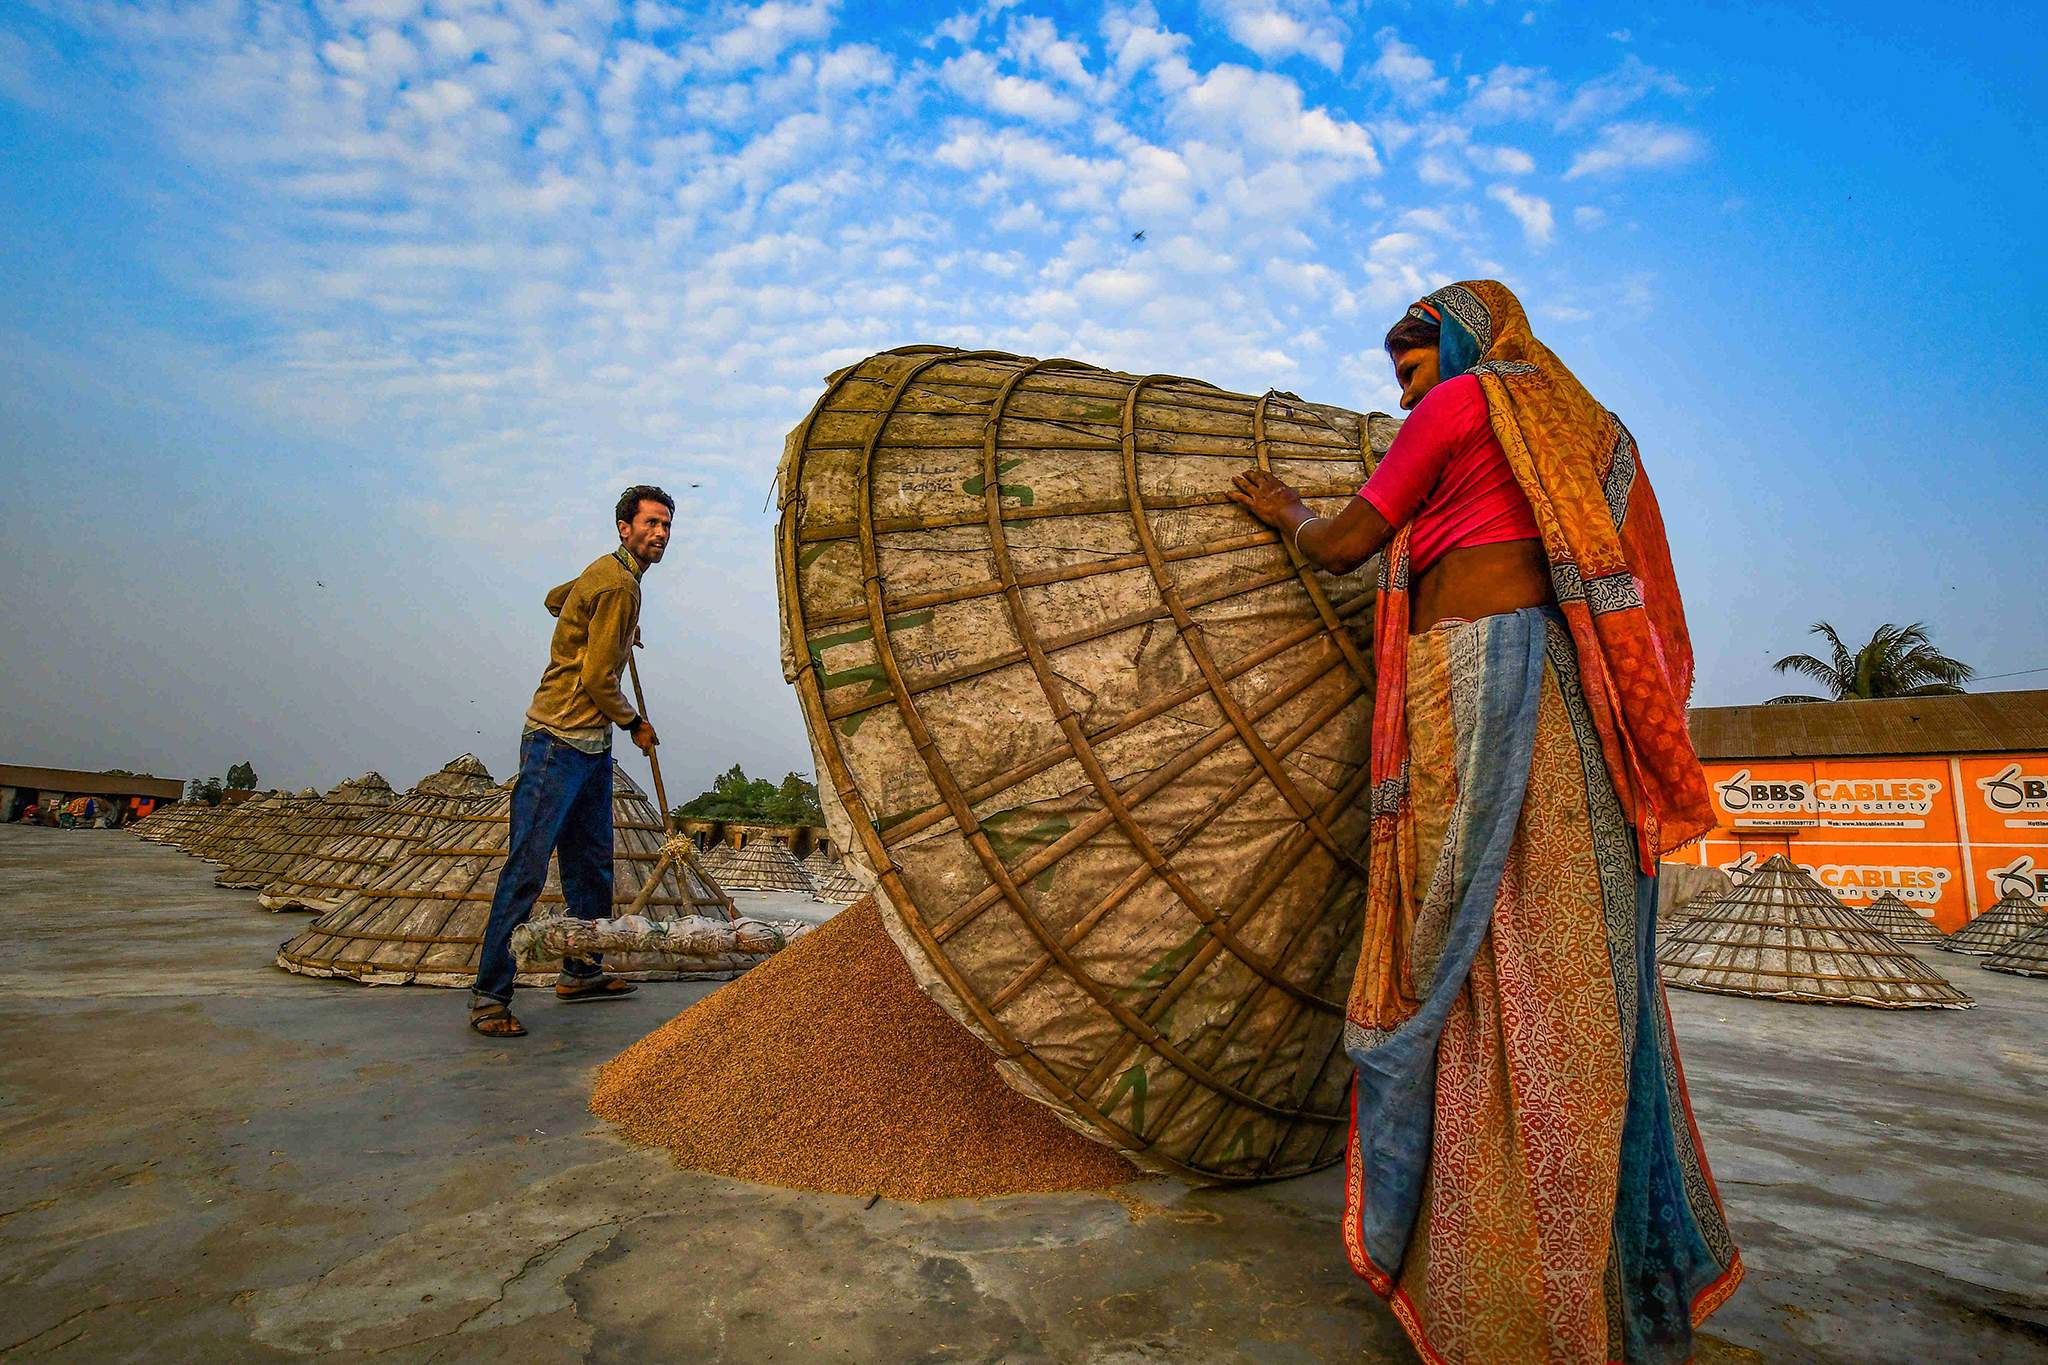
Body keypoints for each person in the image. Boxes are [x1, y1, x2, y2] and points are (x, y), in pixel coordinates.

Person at [1230, 281, 1741, 1364]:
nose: (1398, 368)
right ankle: (1584, 1285)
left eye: (1409, 346)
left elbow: (1346, 545)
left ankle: (1498, 1293)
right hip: (1569, 702)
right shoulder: (1584, 428)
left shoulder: (1462, 407)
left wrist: (1286, 511)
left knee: (1473, 961)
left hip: (1480, 686)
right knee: (1570, 968)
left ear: (1459, 338)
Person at [468, 485, 672, 1038]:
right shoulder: (619, 583)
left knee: (590, 866)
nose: (660, 534)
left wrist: (610, 627)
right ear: (624, 528)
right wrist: (635, 723)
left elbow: (555, 599)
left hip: (590, 745)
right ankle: (490, 994)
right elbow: (595, 678)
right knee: (527, 867)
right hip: (558, 738)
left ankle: (582, 969)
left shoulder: (605, 575)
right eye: (650, 523)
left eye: (666, 526)